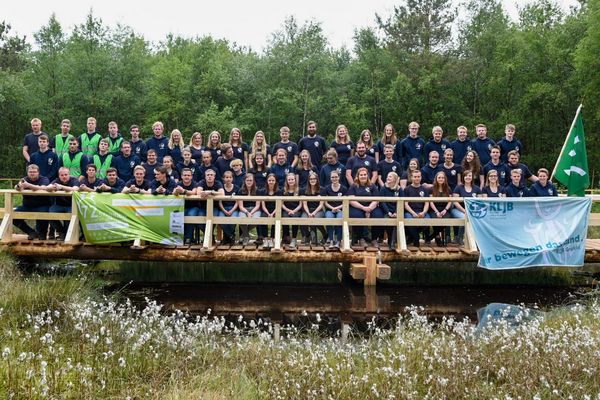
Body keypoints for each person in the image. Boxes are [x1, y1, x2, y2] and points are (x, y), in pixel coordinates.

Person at [347, 167, 383, 247]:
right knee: (357, 215)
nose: (363, 176)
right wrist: (363, 208)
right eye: (361, 175)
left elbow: (377, 199)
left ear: (367, 175)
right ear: (358, 176)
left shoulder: (372, 186)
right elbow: (351, 200)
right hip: (357, 207)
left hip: (371, 206)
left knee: (378, 215)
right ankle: (361, 238)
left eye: (365, 174)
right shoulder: (354, 186)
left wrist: (369, 209)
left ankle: (374, 239)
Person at [13, 164, 51, 240]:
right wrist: (18, 187)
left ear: (38, 172)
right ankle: (31, 232)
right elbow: (17, 187)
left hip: (42, 206)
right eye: (30, 172)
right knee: (13, 216)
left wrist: (28, 185)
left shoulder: (44, 179)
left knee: (43, 214)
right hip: (27, 206)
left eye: (34, 172)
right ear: (27, 173)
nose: (32, 173)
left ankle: (41, 234)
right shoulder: (24, 179)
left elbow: (43, 188)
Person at [47, 167, 79, 241]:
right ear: (59, 176)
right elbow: (47, 187)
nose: (64, 176)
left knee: (70, 216)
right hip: (59, 205)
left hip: (71, 205)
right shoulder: (56, 180)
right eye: (62, 175)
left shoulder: (74, 180)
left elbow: (75, 189)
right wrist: (52, 187)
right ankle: (61, 231)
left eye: (65, 174)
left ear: (69, 174)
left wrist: (61, 187)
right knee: (50, 213)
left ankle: (67, 235)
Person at [451, 170, 482, 245]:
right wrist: (464, 211)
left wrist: (473, 211)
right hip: (458, 210)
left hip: (472, 210)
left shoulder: (477, 188)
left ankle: (476, 239)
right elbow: (455, 202)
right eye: (466, 176)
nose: (468, 177)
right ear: (463, 177)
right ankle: (460, 237)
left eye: (470, 176)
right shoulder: (458, 188)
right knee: (465, 217)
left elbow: (480, 202)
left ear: (472, 177)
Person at [403, 170, 431, 247]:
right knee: (410, 221)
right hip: (410, 212)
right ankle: (416, 239)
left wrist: (424, 212)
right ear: (411, 178)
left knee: (427, 221)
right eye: (415, 177)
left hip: (422, 211)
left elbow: (427, 203)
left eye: (418, 176)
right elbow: (406, 204)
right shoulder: (407, 189)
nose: (417, 178)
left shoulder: (425, 189)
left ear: (421, 177)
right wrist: (413, 213)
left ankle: (412, 237)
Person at [173, 168, 200, 244]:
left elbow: (194, 192)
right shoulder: (178, 183)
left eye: (188, 175)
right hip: (181, 207)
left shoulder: (195, 183)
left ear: (191, 176)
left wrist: (183, 191)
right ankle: (180, 237)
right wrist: (176, 191)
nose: (186, 177)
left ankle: (189, 238)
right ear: (181, 176)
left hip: (194, 206)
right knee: (177, 215)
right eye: (185, 175)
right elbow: (173, 193)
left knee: (190, 215)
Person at [197, 168, 225, 239]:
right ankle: (210, 236)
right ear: (205, 176)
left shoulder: (218, 183)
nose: (209, 176)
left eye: (211, 175)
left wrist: (210, 192)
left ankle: (208, 237)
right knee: (199, 222)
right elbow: (198, 193)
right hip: (202, 207)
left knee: (213, 220)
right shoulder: (202, 182)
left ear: (214, 176)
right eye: (208, 175)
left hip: (214, 207)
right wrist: (213, 193)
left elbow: (222, 194)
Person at [322, 169, 347, 249]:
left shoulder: (343, 188)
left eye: (336, 177)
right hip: (330, 209)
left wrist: (338, 208)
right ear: (330, 178)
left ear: (339, 177)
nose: (334, 179)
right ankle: (331, 240)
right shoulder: (327, 188)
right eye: (332, 177)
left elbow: (345, 202)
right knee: (329, 218)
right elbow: (325, 202)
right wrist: (332, 208)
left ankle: (338, 240)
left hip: (340, 209)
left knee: (340, 218)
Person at [236, 173, 262, 245]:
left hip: (255, 209)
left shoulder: (257, 190)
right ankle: (247, 236)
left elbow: (257, 205)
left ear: (253, 181)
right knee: (241, 219)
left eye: (251, 180)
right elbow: (240, 206)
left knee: (256, 220)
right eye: (247, 180)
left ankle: (243, 234)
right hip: (244, 209)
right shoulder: (241, 191)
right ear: (244, 181)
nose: (249, 182)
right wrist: (247, 213)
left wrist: (251, 213)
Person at [301, 171, 326, 245]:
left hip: (318, 210)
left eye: (314, 179)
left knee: (315, 219)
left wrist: (314, 213)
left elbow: (321, 205)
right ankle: (308, 235)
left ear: (317, 180)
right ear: (308, 180)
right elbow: (304, 204)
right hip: (307, 210)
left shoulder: (322, 189)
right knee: (302, 220)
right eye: (311, 179)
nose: (312, 180)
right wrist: (308, 213)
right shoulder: (304, 190)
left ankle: (323, 235)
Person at [428, 171, 452, 247]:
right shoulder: (431, 189)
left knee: (446, 219)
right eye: (439, 177)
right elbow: (431, 202)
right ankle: (438, 237)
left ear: (445, 179)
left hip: (445, 209)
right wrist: (436, 212)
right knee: (435, 219)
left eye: (442, 178)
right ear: (436, 179)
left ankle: (433, 235)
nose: (441, 179)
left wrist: (445, 210)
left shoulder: (448, 188)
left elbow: (450, 201)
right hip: (434, 209)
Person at [379, 171, 402, 248]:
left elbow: (401, 202)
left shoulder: (399, 189)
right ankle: (391, 241)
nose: (387, 178)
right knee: (388, 221)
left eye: (390, 176)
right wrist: (388, 212)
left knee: (397, 221)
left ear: (395, 179)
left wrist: (396, 212)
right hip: (386, 211)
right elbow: (382, 202)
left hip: (397, 211)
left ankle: (392, 243)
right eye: (387, 176)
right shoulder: (383, 188)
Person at [218, 170, 239, 245]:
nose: (228, 179)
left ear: (232, 178)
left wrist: (232, 210)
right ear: (223, 178)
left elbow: (237, 202)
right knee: (221, 220)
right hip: (223, 208)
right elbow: (219, 201)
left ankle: (226, 237)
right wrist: (224, 211)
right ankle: (231, 236)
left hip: (234, 208)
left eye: (230, 177)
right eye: (226, 177)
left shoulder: (236, 188)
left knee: (233, 220)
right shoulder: (221, 188)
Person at [281, 173, 302, 249]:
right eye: (289, 179)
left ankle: (294, 239)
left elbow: (301, 204)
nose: (291, 181)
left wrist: (294, 211)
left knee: (295, 218)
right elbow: (281, 203)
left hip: (296, 210)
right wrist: (288, 210)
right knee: (284, 217)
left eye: (292, 179)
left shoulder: (299, 190)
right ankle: (286, 238)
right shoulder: (283, 190)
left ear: (295, 180)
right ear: (287, 181)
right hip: (286, 210)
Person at [260, 173, 281, 249]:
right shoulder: (263, 191)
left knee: (276, 218)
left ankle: (272, 238)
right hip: (266, 210)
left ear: (275, 181)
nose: (271, 182)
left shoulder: (279, 191)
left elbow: (279, 204)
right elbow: (263, 205)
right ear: (267, 181)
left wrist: (272, 213)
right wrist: (268, 213)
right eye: (269, 180)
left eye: (273, 180)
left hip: (276, 209)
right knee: (263, 217)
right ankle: (265, 239)